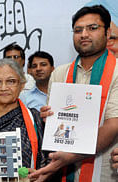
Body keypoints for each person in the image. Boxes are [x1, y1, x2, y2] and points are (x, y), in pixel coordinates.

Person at [29, 5, 118, 182]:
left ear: (107, 33)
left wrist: (69, 157)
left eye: (92, 28)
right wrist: (49, 117)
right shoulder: (60, 73)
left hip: (105, 173)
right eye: (78, 30)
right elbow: (56, 125)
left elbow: (112, 125)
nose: (84, 34)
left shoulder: (117, 72)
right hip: (66, 173)